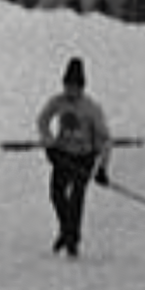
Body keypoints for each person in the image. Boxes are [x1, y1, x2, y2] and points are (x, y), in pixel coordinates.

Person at [36, 56, 112, 258]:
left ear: (82, 87)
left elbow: (104, 140)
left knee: (77, 198)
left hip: (84, 157)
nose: (70, 91)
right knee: (56, 194)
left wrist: (102, 168)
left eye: (74, 87)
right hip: (63, 156)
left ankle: (72, 240)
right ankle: (66, 229)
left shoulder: (91, 108)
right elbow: (42, 121)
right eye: (67, 85)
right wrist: (50, 145)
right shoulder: (57, 102)